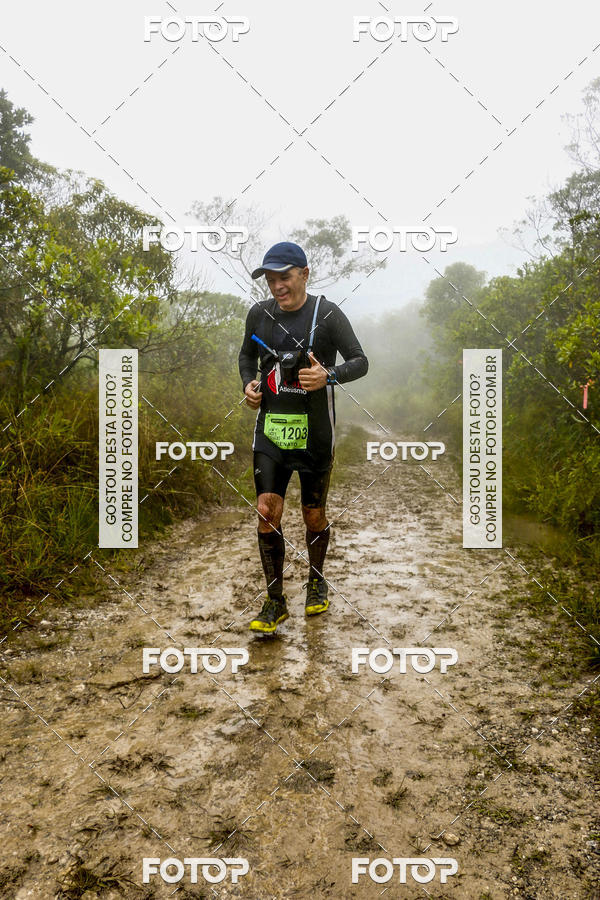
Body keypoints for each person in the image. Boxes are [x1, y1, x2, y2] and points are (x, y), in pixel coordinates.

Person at [239, 241, 369, 634]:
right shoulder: (258, 315)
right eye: (271, 279)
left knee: (313, 514)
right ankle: (275, 600)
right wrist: (249, 384)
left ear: (304, 274)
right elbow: (246, 356)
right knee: (267, 510)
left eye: (285, 277)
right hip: (271, 434)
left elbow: (360, 361)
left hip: (316, 436)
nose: (277, 286)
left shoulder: (326, 314)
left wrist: (329, 376)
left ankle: (316, 580)